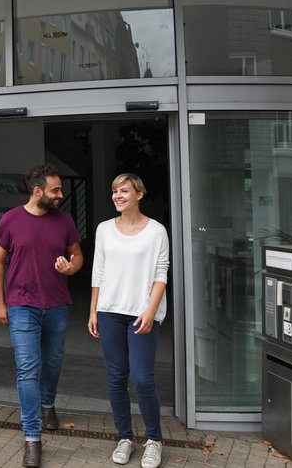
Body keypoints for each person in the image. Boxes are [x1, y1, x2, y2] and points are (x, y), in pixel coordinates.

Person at [0, 164, 84, 468]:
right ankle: (32, 438)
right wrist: (0, 303)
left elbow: (77, 254)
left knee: (54, 361)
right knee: (27, 369)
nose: (60, 195)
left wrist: (72, 267)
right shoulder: (11, 219)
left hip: (57, 304)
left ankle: (48, 404)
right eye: (55, 190)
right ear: (37, 191)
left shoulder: (65, 220)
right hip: (22, 306)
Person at [88, 173, 169, 468]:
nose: (117, 195)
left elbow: (162, 273)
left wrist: (150, 310)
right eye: (114, 191)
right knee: (116, 377)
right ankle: (125, 437)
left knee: (143, 378)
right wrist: (93, 310)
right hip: (110, 311)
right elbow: (99, 271)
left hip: (142, 313)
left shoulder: (156, 231)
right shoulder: (104, 229)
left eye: (124, 190)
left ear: (139, 194)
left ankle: (154, 440)